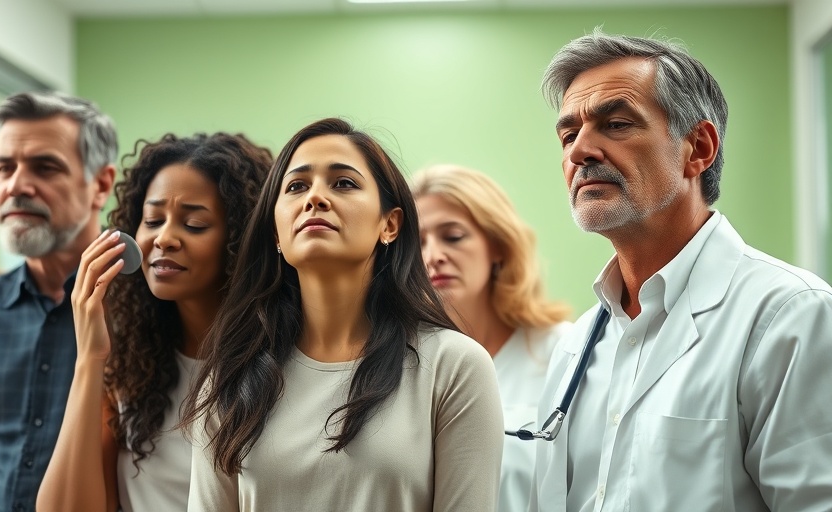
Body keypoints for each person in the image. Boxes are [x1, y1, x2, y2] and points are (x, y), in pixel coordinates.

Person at [529, 29, 832, 511]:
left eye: (616, 124)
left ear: (698, 149)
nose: (579, 151)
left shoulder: (789, 315)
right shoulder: (578, 345)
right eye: (569, 135)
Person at [182, 118, 504, 511]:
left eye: (344, 183)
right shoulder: (230, 377)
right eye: (297, 186)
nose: (315, 198)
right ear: (276, 234)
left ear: (390, 224)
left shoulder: (454, 366)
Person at [35, 133, 271, 512]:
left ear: (241, 238)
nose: (165, 238)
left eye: (194, 224)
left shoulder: (280, 365)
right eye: (153, 220)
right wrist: (89, 360)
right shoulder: (130, 369)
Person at [0, 91, 117, 512]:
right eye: (4, 168)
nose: (16, 185)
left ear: (100, 185)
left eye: (45, 167)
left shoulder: (142, 307)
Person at [411, 164, 570, 512]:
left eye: (452, 236)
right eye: (418, 243)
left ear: (497, 246)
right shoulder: (401, 366)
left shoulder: (565, 352)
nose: (433, 256)